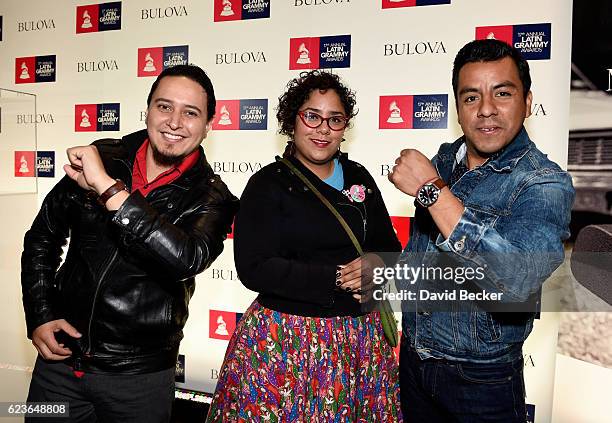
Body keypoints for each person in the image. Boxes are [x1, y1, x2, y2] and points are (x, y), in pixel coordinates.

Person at [21, 64, 239, 422]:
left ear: (209, 125)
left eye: (191, 113)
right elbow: (43, 237)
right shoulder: (104, 156)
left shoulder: (212, 197)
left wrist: (109, 190)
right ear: (149, 109)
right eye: (164, 106)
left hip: (139, 380)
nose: (174, 122)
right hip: (59, 366)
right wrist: (40, 313)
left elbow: (184, 258)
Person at [388, 38, 575, 422]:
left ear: (527, 102)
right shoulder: (443, 160)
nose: (486, 110)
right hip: (414, 359)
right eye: (471, 97)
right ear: (458, 107)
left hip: (481, 380)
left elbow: (515, 281)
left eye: (502, 93)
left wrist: (432, 192)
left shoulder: (543, 183)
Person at [207, 70, 403, 422]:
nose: (323, 129)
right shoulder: (267, 184)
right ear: (292, 120)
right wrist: (337, 277)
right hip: (284, 341)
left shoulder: (359, 176)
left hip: (359, 340)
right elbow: (255, 267)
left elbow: (388, 245)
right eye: (312, 116)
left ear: (345, 127)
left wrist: (377, 262)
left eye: (335, 119)